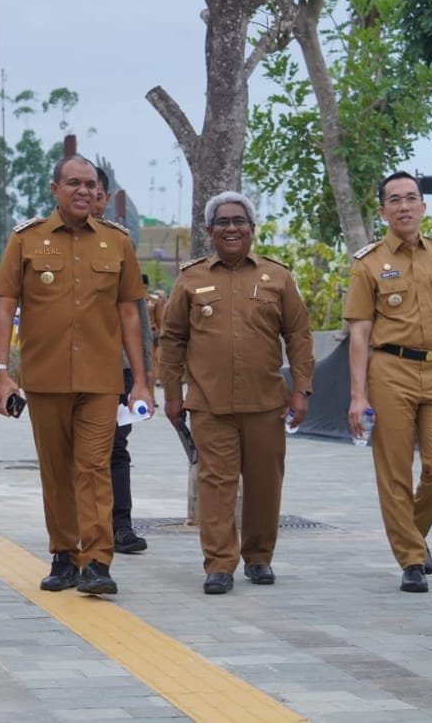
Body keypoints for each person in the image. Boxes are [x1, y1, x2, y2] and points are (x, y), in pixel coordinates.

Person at [0, 155, 151, 596]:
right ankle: (64, 555)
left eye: (89, 184)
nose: (82, 190)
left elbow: (129, 314)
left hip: (102, 380)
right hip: (45, 378)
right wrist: (2, 374)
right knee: (57, 470)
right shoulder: (26, 241)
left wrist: (141, 379)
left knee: (95, 467)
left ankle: (98, 561)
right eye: (73, 183)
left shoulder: (117, 243)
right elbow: (5, 306)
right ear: (54, 188)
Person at [158, 192, 314, 594]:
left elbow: (298, 335)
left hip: (266, 403)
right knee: (216, 483)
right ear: (209, 231)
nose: (231, 228)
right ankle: (219, 564)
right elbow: (172, 338)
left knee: (265, 484)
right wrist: (173, 395)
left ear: (252, 229)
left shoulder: (278, 277)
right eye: (223, 222)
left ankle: (259, 557)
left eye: (239, 221)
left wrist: (302, 391)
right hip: (209, 404)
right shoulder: (191, 278)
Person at [344, 170, 432, 593]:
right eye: (395, 200)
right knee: (395, 470)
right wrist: (358, 395)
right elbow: (360, 334)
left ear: (423, 206)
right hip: (390, 371)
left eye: (411, 198)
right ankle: (411, 560)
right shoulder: (368, 264)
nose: (404, 206)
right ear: (383, 211)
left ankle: (412, 536)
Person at [90, 166, 154, 555]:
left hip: (118, 370)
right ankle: (81, 526)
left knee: (115, 447)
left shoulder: (119, 243)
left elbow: (137, 316)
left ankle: (120, 525)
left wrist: (144, 375)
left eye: (97, 192)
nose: (91, 199)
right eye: (80, 188)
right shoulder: (41, 242)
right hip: (70, 370)